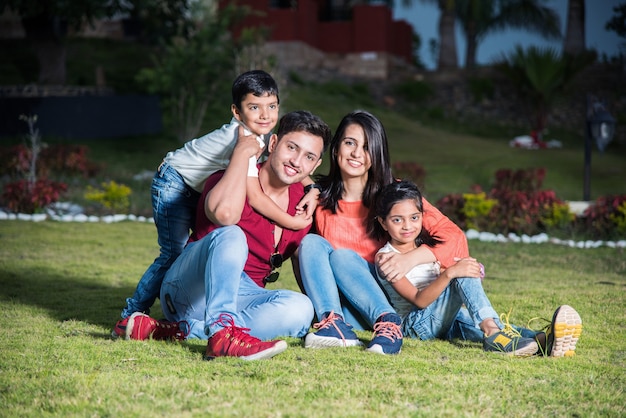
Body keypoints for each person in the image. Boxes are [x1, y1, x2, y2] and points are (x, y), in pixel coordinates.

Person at [112, 71, 320, 336]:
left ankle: (182, 331)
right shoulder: (242, 145)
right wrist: (290, 220)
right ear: (237, 111)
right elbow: (252, 198)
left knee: (300, 307)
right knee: (179, 250)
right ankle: (133, 312)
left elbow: (295, 164)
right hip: (174, 179)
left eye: (271, 107)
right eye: (254, 107)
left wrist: (311, 186)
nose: (265, 115)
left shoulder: (260, 138)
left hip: (240, 291)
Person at [297, 110, 467, 355]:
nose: (357, 153)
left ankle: (389, 323)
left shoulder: (394, 195)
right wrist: (311, 187)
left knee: (342, 257)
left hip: (398, 303)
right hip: (351, 311)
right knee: (312, 243)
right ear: (336, 149)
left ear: (377, 154)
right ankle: (333, 325)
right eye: (349, 143)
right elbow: (288, 168)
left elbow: (456, 238)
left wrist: (411, 258)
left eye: (367, 147)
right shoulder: (319, 200)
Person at [373, 179, 583, 357]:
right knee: (461, 272)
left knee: (475, 315)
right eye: (397, 220)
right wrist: (450, 273)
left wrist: (462, 273)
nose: (407, 226)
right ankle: (492, 333)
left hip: (445, 319)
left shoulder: (425, 245)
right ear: (383, 223)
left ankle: (540, 340)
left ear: (422, 216)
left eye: (414, 218)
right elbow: (419, 300)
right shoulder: (386, 258)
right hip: (415, 326)